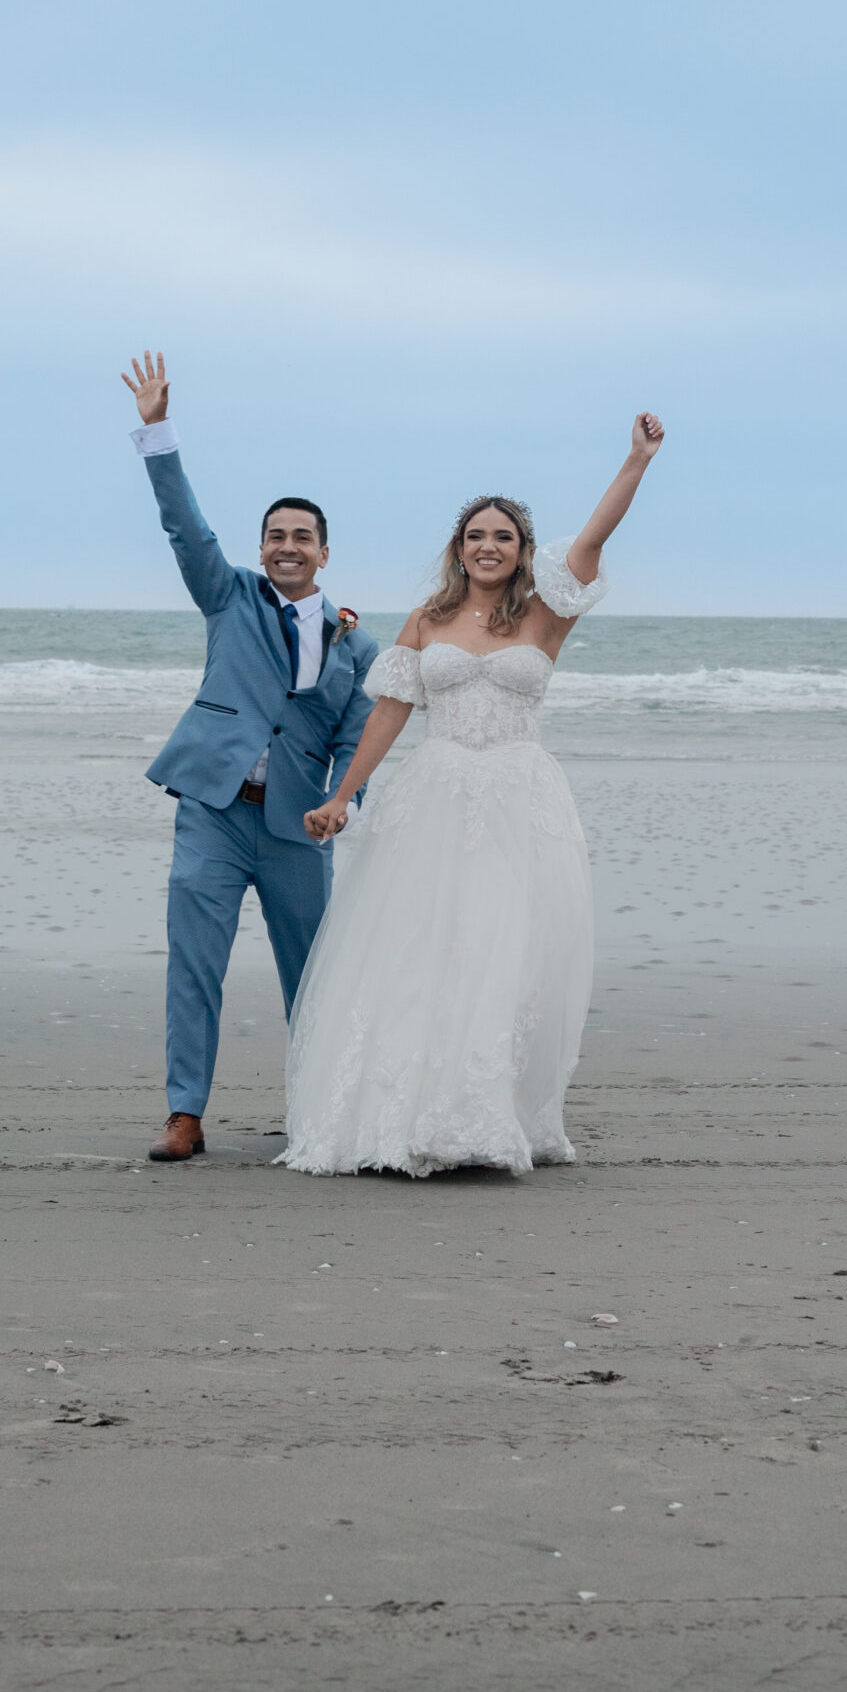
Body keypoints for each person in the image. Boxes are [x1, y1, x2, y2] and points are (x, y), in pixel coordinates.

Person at [281, 412, 664, 1177]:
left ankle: (483, 1114)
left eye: (503, 537)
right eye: (475, 536)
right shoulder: (427, 620)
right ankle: (404, 1114)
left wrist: (636, 460)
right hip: (436, 798)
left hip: (520, 801)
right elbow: (388, 715)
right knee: (422, 950)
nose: (488, 546)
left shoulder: (547, 615)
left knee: (503, 952)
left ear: (522, 551)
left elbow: (593, 539)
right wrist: (341, 796)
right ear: (458, 549)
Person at [122, 351, 378, 1161]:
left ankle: (319, 1109)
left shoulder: (356, 644)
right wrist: (157, 431)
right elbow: (183, 526)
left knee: (313, 974)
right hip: (213, 810)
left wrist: (342, 802)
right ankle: (184, 1113)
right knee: (194, 965)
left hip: (299, 825)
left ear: (324, 552)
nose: (286, 547)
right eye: (275, 536)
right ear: (260, 547)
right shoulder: (227, 594)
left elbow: (355, 738)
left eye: (301, 537)